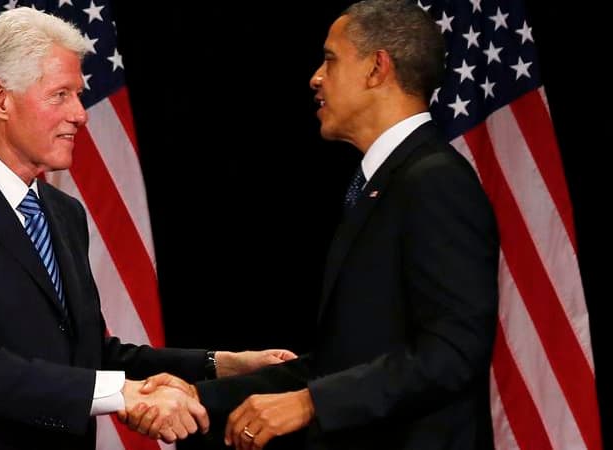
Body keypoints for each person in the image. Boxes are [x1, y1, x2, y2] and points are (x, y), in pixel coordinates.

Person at [0, 7, 296, 450]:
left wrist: (219, 364)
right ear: (1, 99)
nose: (81, 114)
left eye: (78, 95)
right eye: (60, 95)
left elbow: (90, 353)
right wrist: (119, 395)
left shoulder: (63, 213)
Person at [132, 1, 500, 449]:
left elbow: (453, 352)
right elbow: (343, 361)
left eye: (330, 59)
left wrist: (312, 403)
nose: (316, 78)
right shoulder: (384, 182)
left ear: (377, 68)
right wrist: (199, 396)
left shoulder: (434, 180)